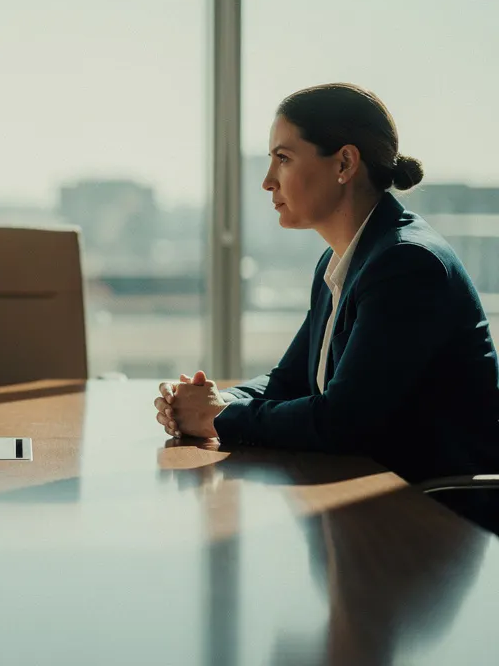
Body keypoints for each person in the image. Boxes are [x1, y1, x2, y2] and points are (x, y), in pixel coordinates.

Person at [154, 83, 499, 486]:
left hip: (434, 512)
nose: (268, 181)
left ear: (345, 164)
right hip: (371, 492)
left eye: (283, 159)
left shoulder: (407, 264)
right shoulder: (341, 260)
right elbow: (291, 380)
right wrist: (218, 400)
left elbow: (342, 421)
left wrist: (215, 416)